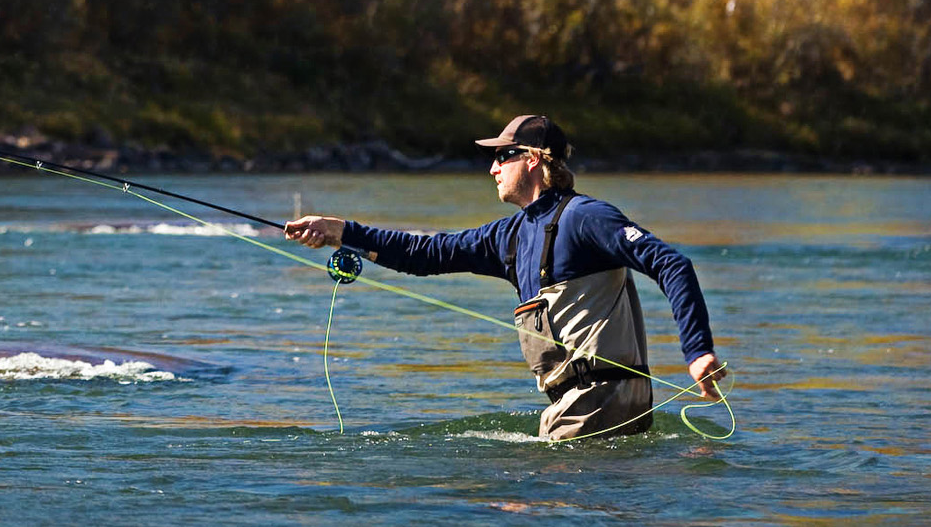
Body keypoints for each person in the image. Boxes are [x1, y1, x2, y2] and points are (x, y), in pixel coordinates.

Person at [284, 114, 728, 441]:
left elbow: (672, 263)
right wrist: (341, 232)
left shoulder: (587, 218)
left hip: (600, 406)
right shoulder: (509, 236)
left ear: (534, 160)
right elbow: (425, 254)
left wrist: (697, 351)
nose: (492, 167)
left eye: (503, 156)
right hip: (577, 410)